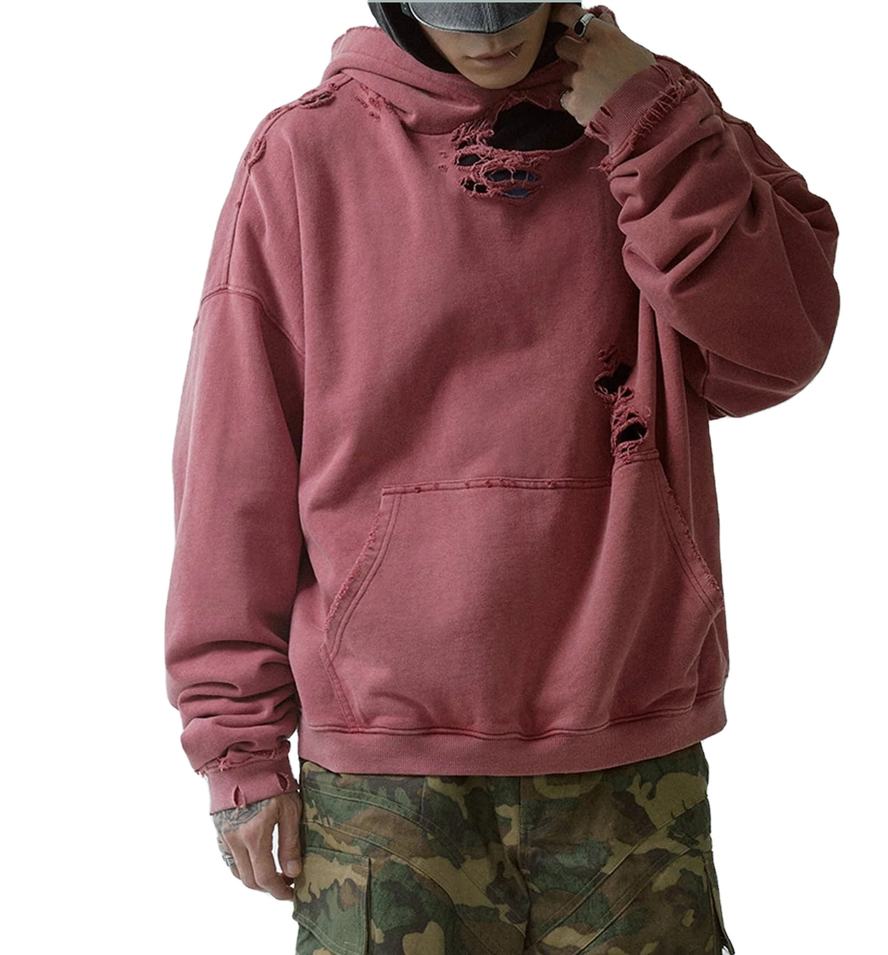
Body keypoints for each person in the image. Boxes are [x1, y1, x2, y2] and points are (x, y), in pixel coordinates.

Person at [164, 3, 840, 952]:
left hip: (627, 729)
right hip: (387, 765)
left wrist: (650, 125)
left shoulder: (656, 118)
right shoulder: (305, 156)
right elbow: (235, 467)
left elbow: (778, 348)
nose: (488, 27)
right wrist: (237, 745)